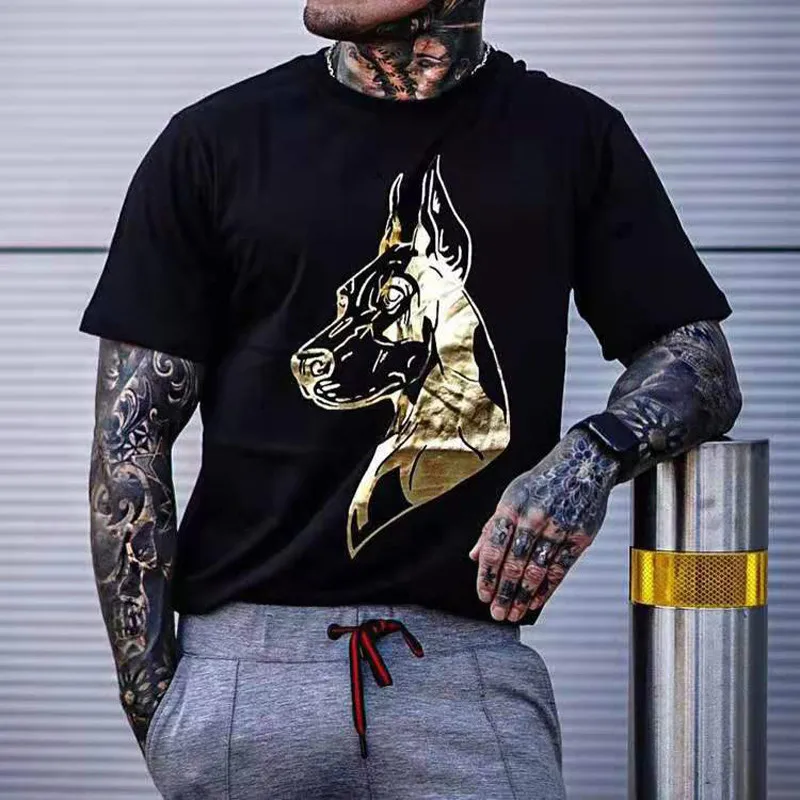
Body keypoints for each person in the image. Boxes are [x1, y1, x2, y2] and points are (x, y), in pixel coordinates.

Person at [79, 1, 742, 797]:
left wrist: (588, 459)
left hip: (467, 679)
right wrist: (161, 710)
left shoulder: (570, 136)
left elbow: (699, 362)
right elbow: (130, 439)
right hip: (243, 679)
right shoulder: (215, 141)